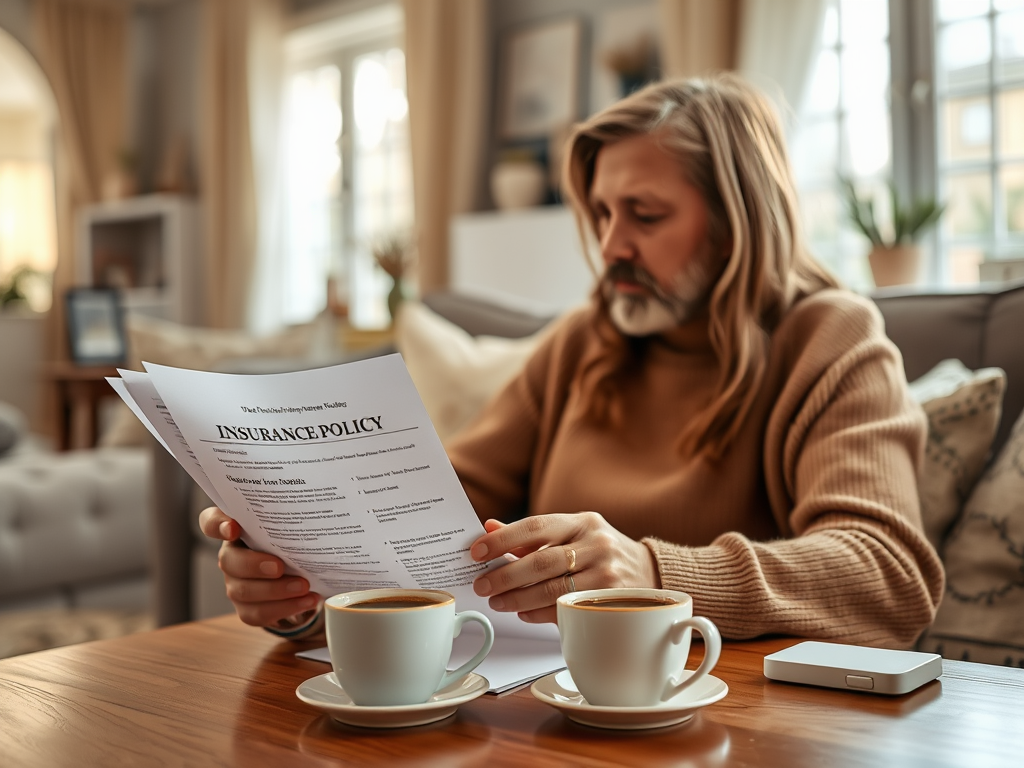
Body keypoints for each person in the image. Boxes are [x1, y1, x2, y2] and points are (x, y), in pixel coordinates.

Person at [200, 74, 944, 648]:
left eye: (645, 215)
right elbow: (431, 516)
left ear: (736, 223)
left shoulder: (830, 339)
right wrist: (305, 586)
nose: (613, 245)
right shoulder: (584, 342)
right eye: (602, 213)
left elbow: (887, 574)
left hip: (723, 718)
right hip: (544, 708)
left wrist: (656, 575)